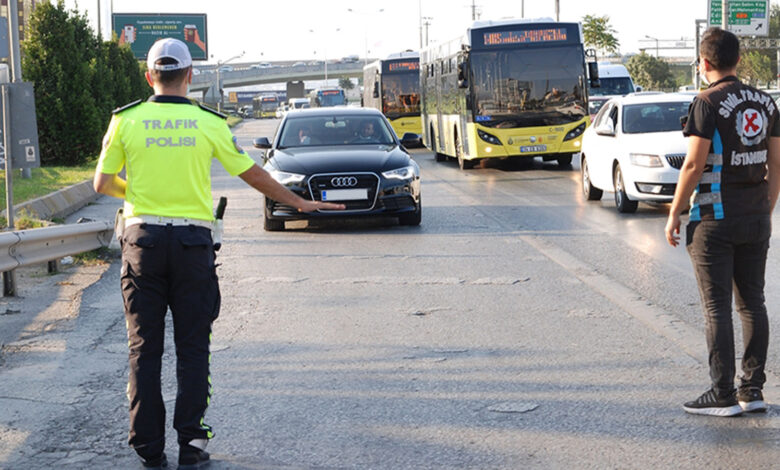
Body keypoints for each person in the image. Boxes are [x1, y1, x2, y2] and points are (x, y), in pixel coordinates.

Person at [93, 38, 344, 469]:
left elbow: (102, 183)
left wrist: (136, 194)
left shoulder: (126, 120)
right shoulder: (207, 122)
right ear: (191, 77)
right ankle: (191, 444)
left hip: (143, 245)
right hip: (192, 246)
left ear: (149, 75)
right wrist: (300, 203)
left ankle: (148, 449)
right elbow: (252, 174)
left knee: (144, 348)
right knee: (193, 348)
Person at [664, 27, 780, 417]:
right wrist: (766, 208)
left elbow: (694, 164)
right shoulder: (766, 102)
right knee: (753, 304)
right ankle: (753, 390)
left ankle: (722, 393)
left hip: (714, 218)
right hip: (756, 217)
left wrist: (675, 211)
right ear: (739, 60)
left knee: (717, 308)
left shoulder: (706, 101)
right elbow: (776, 163)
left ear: (705, 63)